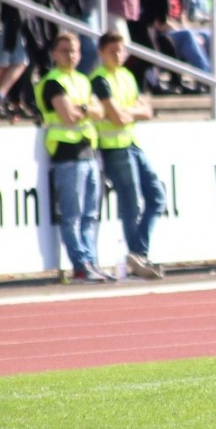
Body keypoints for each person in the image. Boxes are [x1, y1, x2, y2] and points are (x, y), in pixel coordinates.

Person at [34, 32, 113, 283]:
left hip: (89, 152)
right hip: (67, 154)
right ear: (54, 54)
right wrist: (87, 108)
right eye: (65, 50)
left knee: (90, 215)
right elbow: (67, 116)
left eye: (75, 51)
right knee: (73, 215)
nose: (71, 55)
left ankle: (91, 261)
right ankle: (80, 265)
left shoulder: (82, 80)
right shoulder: (53, 82)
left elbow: (100, 112)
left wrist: (84, 109)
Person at [90, 31, 166, 279]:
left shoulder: (127, 76)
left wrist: (127, 112)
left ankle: (137, 253)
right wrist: (131, 111)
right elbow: (116, 117)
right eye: (112, 51)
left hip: (132, 143)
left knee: (157, 196)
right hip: (114, 146)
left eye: (121, 50)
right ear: (101, 52)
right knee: (130, 203)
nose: (118, 55)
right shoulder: (99, 79)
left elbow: (147, 111)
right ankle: (138, 256)